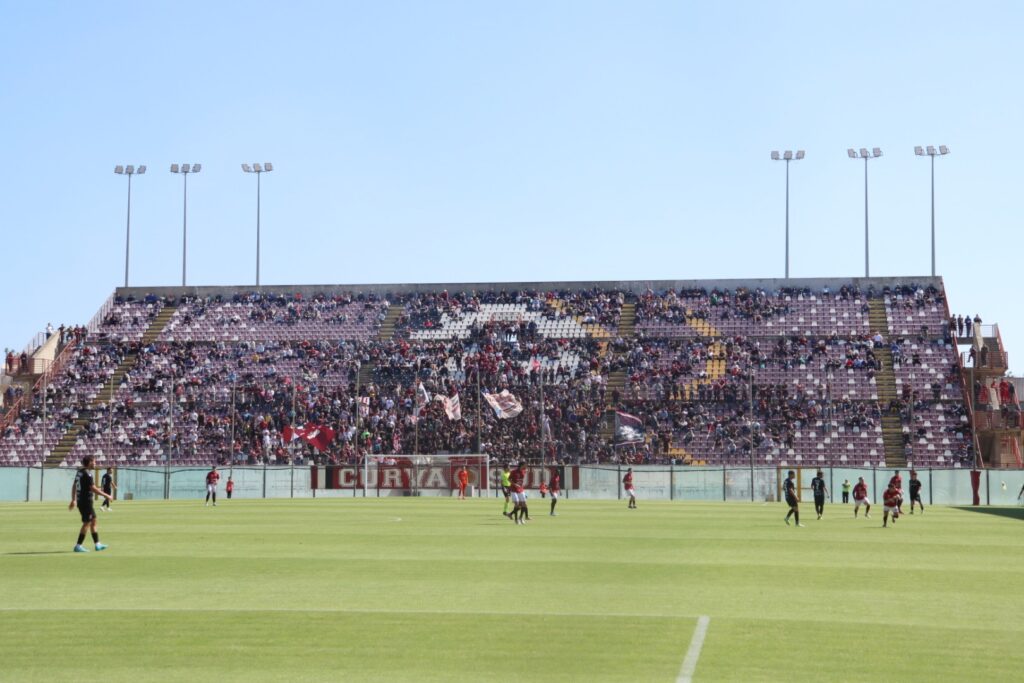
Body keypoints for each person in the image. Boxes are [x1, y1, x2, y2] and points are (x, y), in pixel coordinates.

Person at [69, 455, 112, 552]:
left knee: (94, 520)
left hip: (82, 501)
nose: (95, 464)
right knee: (87, 523)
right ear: (89, 462)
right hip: (85, 502)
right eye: (94, 462)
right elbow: (93, 488)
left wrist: (74, 499)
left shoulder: (79, 472)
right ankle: (78, 546)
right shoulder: (87, 474)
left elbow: (74, 485)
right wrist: (107, 495)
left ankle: (97, 544)